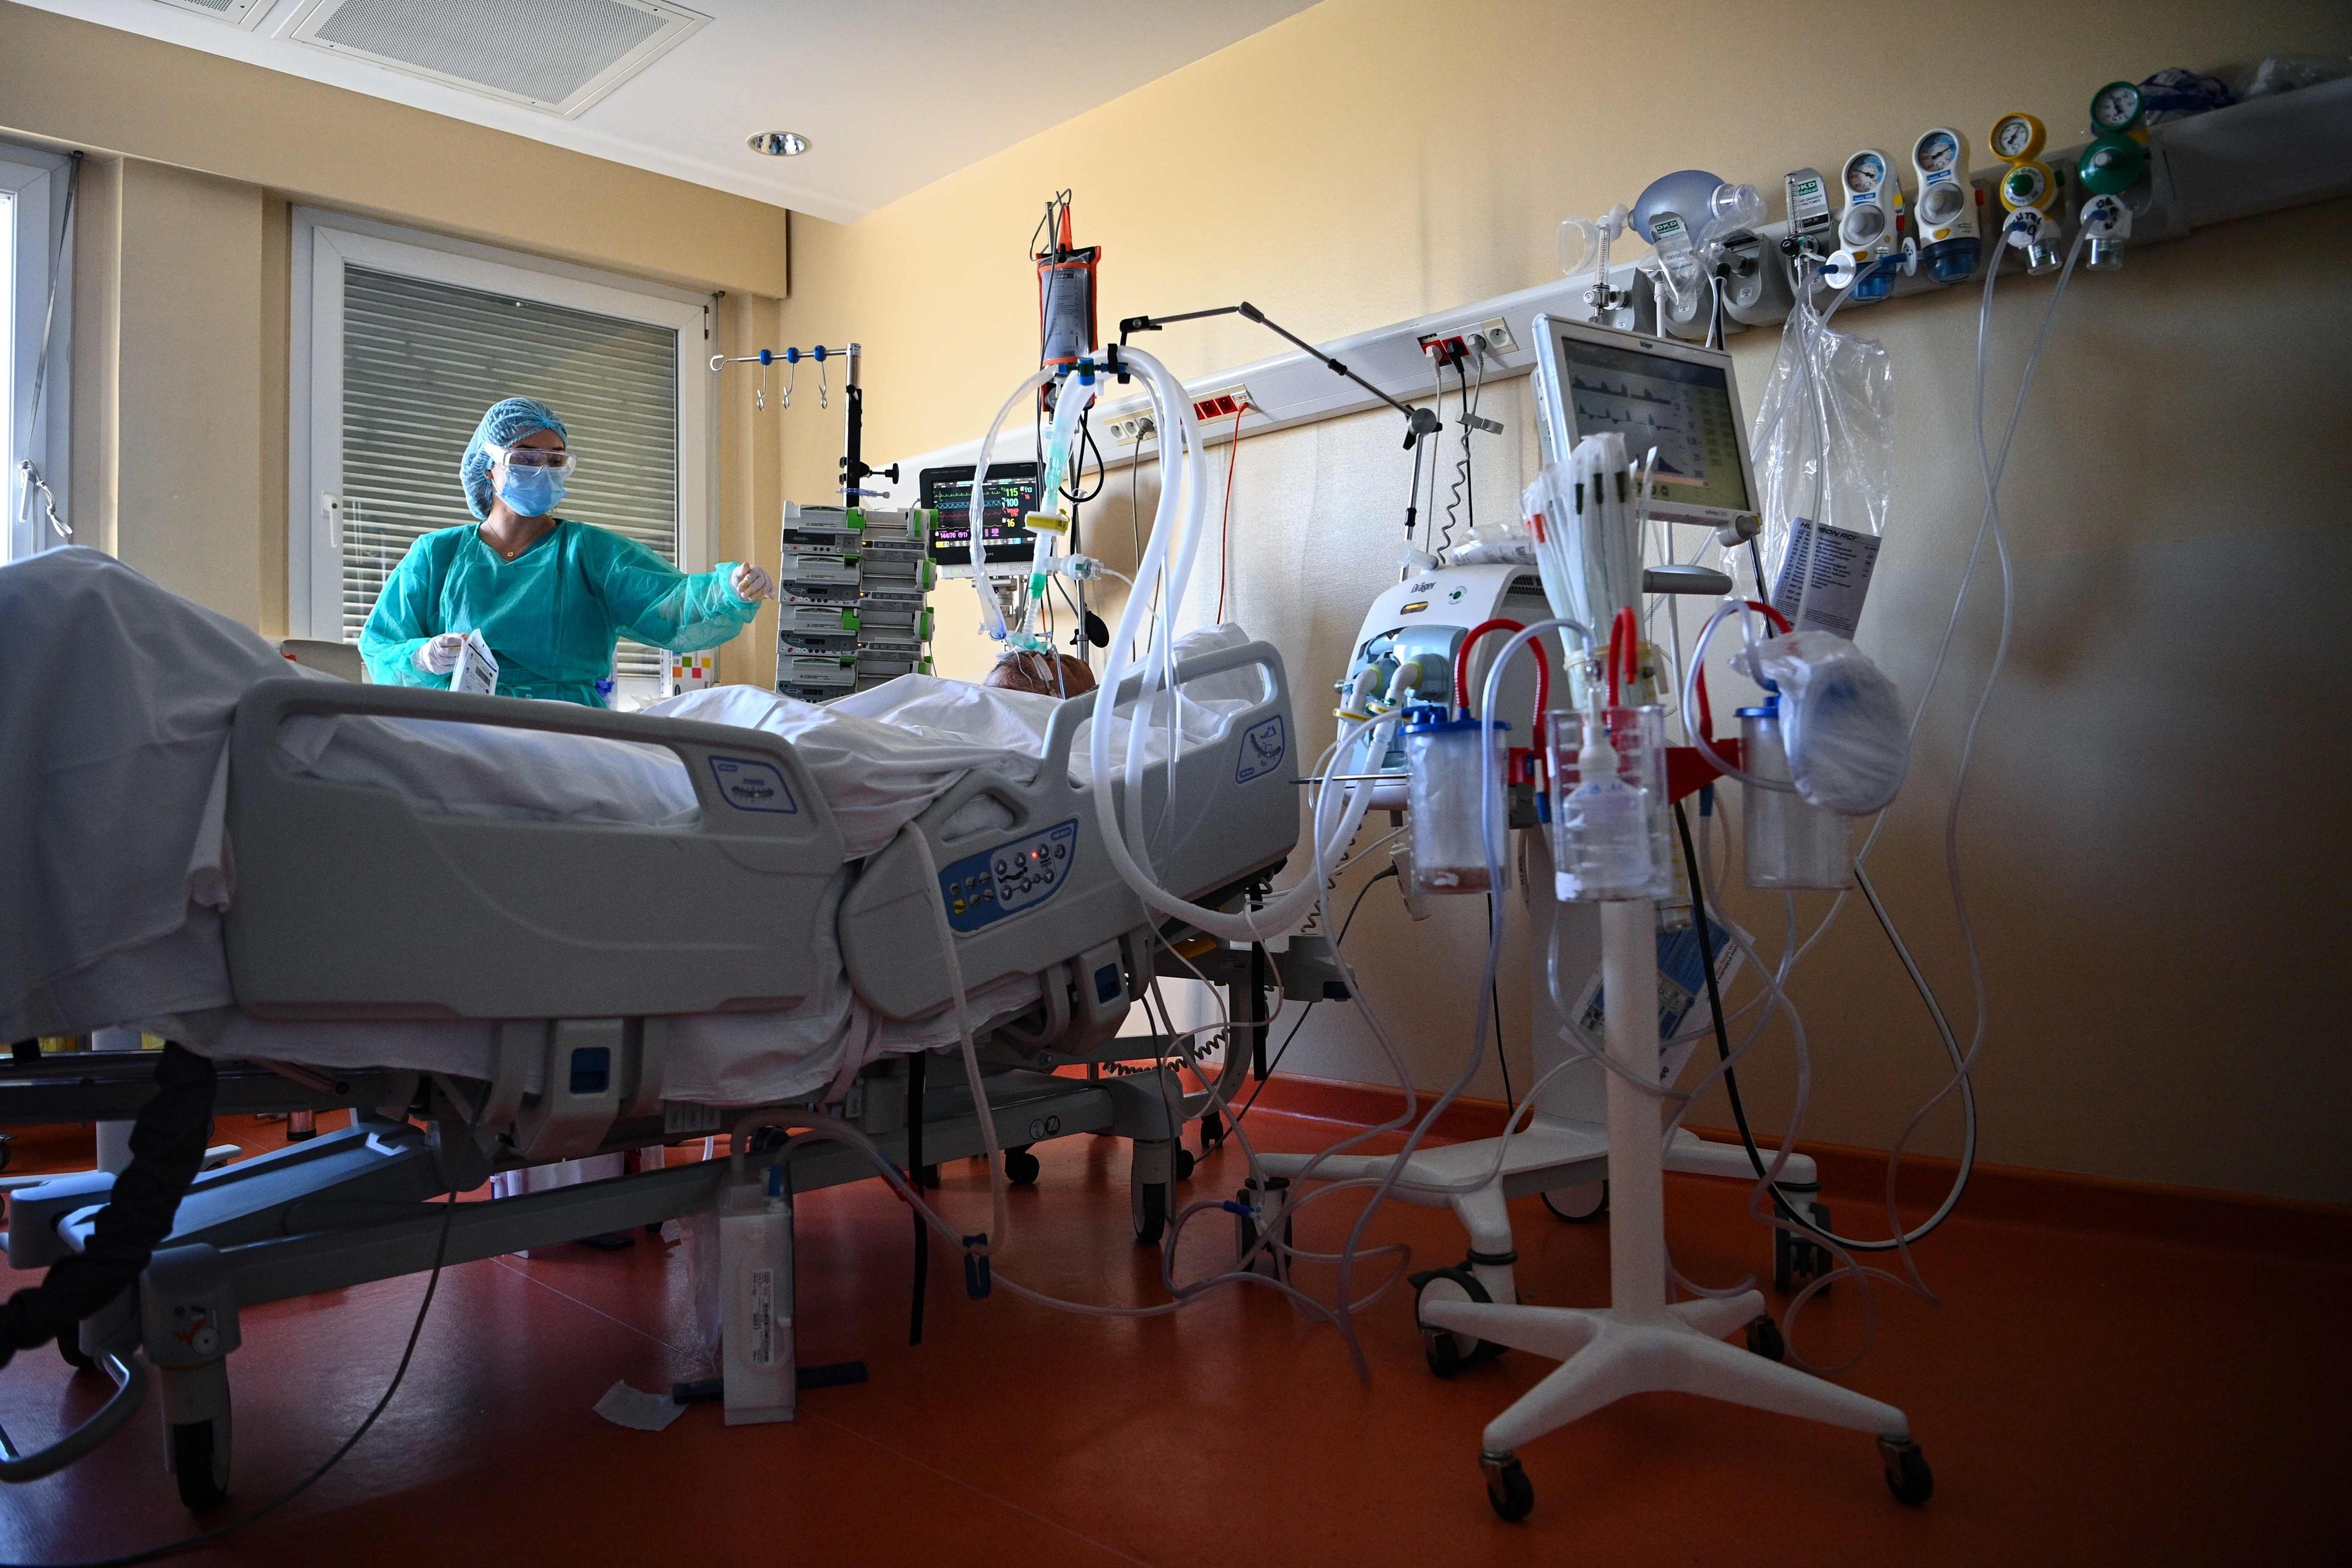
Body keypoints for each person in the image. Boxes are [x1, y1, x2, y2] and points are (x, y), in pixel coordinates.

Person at [359, 397, 774, 703]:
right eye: (525, 458)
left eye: (555, 460)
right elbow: (380, 647)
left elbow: (671, 603)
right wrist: (423, 656)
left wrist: (728, 590)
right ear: (490, 469)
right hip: (465, 728)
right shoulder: (437, 556)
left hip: (565, 733)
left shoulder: (589, 552)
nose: (542, 469)